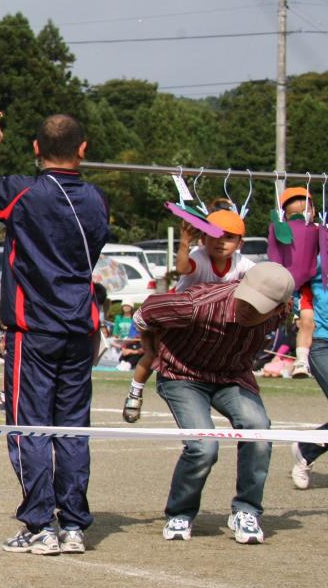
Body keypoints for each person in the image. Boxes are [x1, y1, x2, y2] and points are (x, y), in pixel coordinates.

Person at [0, 110, 110, 556]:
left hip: (34, 328)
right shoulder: (98, 199)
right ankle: (74, 523)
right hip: (81, 328)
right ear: (83, 150)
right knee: (72, 427)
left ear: (36, 149)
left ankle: (41, 523)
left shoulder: (23, 191)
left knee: (30, 426)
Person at [135, 263, 294, 544]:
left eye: (260, 307)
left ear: (279, 309)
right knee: (204, 446)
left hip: (232, 378)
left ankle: (246, 511)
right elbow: (145, 312)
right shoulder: (197, 304)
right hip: (182, 375)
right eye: (248, 300)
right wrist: (151, 348)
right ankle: (180, 512)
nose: (249, 310)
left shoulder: (279, 315)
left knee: (259, 429)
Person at [124, 211, 253, 422]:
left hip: (205, 323)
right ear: (203, 239)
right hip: (175, 315)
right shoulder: (199, 256)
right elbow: (183, 268)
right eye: (215, 236)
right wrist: (184, 242)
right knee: (153, 354)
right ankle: (135, 393)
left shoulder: (243, 264)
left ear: (240, 243)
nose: (221, 242)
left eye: (229, 237)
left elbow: (263, 278)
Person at [271, 187, 318, 379]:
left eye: (305, 211)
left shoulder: (320, 230)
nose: (301, 216)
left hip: (322, 285)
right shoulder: (283, 234)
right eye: (294, 214)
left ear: (314, 211)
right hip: (304, 287)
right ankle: (301, 360)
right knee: (307, 321)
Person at [291, 258, 328, 489]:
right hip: (322, 342)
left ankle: (306, 448)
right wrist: (301, 309)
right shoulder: (317, 257)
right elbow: (294, 280)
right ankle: (307, 449)